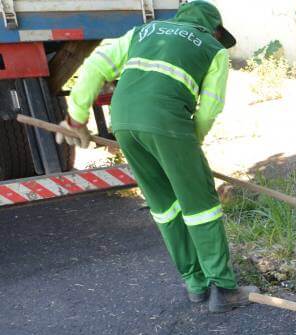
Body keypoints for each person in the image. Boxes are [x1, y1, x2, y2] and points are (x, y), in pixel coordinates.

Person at [59, 1, 256, 313]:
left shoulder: (143, 32)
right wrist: (190, 144)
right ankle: (223, 289)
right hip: (168, 123)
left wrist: (76, 118)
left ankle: (195, 284)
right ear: (215, 30)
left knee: (164, 205)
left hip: (123, 121)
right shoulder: (213, 49)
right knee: (200, 205)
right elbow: (210, 108)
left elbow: (96, 66)